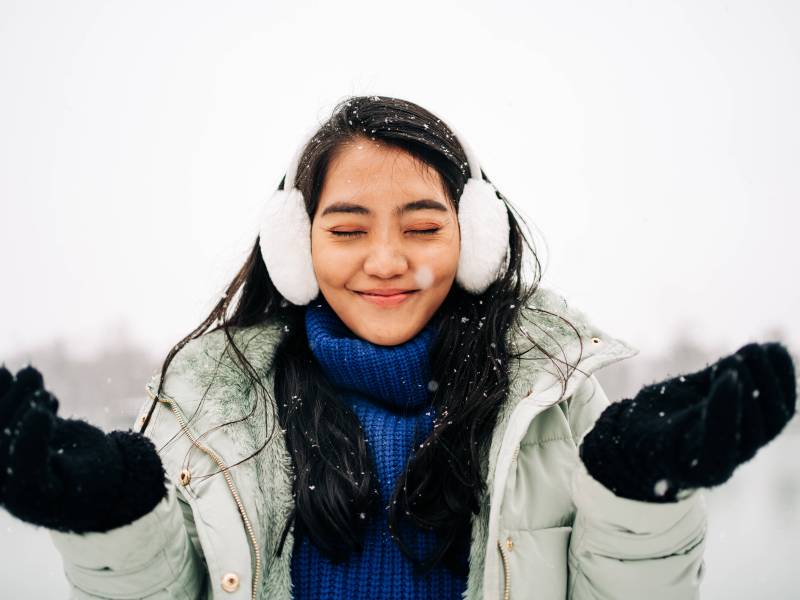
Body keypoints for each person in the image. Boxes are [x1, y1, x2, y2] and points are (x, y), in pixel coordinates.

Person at [0, 95, 796, 600]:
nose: (386, 260)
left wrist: (635, 501)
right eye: (347, 230)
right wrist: (115, 521)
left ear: (477, 239)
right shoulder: (210, 408)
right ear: (294, 246)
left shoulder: (556, 408)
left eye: (422, 227)